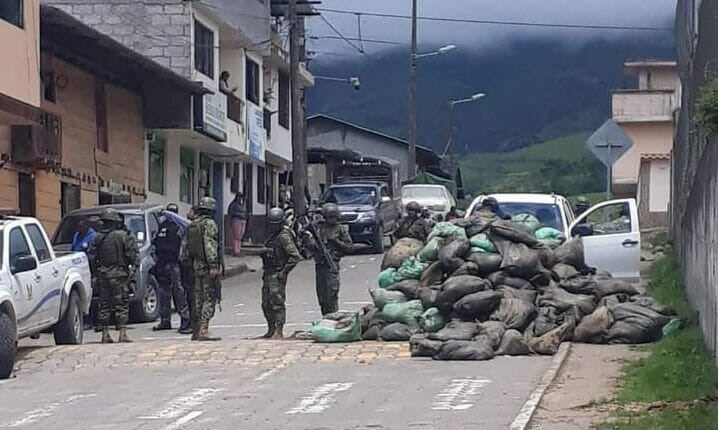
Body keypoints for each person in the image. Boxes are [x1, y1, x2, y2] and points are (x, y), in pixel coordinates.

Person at [89, 208, 138, 344]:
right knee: (121, 303)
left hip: (103, 275)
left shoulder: (97, 237)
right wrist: (132, 268)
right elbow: (131, 255)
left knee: (104, 304)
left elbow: (92, 257)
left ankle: (105, 334)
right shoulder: (122, 236)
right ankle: (122, 333)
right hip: (119, 275)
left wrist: (95, 274)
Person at [183, 197, 222, 341]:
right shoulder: (209, 224)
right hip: (206, 267)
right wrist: (213, 265)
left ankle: (197, 330)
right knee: (209, 297)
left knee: (198, 298)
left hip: (195, 266)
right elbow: (210, 245)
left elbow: (185, 250)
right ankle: (204, 329)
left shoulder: (193, 224)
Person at [258, 207, 301, 339]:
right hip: (268, 272)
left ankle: (279, 330)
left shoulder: (284, 236)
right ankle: (270, 329)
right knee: (266, 303)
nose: (272, 227)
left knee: (277, 302)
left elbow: (295, 256)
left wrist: (284, 272)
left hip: (277, 273)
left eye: (275, 224)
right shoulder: (272, 236)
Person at [307, 203, 353, 316]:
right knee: (322, 296)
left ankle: (333, 318)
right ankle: (325, 317)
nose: (330, 220)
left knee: (331, 294)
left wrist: (336, 241)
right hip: (320, 265)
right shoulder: (319, 229)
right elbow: (310, 246)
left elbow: (349, 247)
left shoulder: (340, 229)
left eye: (333, 217)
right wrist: (310, 242)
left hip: (331, 264)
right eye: (328, 217)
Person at [152, 203, 191, 334]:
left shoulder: (180, 227)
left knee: (178, 293)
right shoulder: (162, 227)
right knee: (165, 294)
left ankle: (185, 319)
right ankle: (165, 320)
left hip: (174, 264)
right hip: (164, 263)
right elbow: (155, 243)